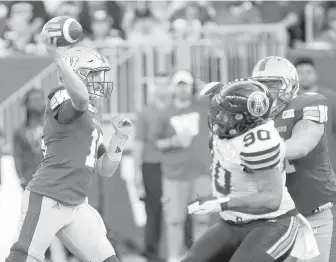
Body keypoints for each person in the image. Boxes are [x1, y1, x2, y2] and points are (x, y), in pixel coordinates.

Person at [6, 35, 133, 262]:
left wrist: (119, 139)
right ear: (75, 74)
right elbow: (80, 101)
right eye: (92, 74)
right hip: (48, 196)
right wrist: (59, 59)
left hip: (76, 204)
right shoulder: (61, 95)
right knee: (22, 259)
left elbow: (105, 168)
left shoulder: (92, 116)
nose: (99, 80)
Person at [183, 79, 317, 262]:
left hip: (273, 222)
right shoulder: (227, 131)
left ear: (245, 119)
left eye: (226, 114)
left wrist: (222, 203)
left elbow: (271, 199)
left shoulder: (258, 142)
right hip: (232, 223)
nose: (218, 117)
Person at [252, 56, 336, 262]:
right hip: (272, 219)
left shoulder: (309, 103)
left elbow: (301, 145)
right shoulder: (251, 117)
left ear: (290, 84)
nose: (267, 91)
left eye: (273, 85)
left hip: (311, 215)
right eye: (262, 85)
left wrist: (259, 152)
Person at [152, 69, 212, 262]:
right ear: (173, 88)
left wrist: (205, 87)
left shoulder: (203, 106)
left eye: (186, 85)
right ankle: (174, 257)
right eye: (179, 85)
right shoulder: (165, 113)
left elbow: (221, 97)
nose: (183, 90)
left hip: (201, 173)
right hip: (174, 175)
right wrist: (174, 142)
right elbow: (156, 143)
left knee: (201, 219)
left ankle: (201, 257)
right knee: (175, 221)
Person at [133, 73, 172, 261]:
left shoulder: (177, 110)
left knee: (181, 211)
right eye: (160, 85)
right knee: (153, 210)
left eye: (166, 85)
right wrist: (137, 175)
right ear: (154, 87)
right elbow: (138, 145)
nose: (163, 89)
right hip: (152, 165)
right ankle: (152, 254)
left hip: (175, 165)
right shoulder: (145, 113)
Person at [293, 56, 336, 170]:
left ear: (316, 74)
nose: (305, 76)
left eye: (309, 72)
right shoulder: (290, 102)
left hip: (329, 164)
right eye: (301, 72)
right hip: (299, 166)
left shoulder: (331, 98)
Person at [13, 88, 45, 190]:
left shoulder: (52, 125)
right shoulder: (20, 131)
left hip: (53, 180)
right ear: (26, 104)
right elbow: (17, 156)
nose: (39, 102)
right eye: (35, 100)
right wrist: (21, 178)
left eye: (41, 99)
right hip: (31, 182)